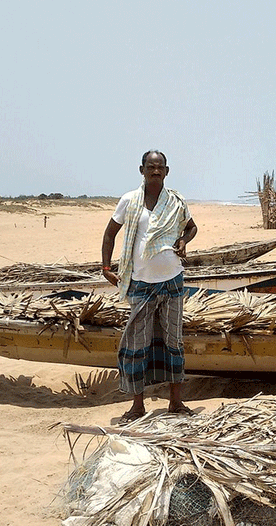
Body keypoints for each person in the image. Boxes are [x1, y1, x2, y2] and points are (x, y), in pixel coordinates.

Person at [101, 150, 198, 422]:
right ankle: (137, 406)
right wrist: (106, 267)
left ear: (167, 171)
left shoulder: (176, 202)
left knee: (173, 343)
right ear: (141, 170)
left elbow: (192, 227)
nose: (155, 171)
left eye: (160, 167)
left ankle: (176, 403)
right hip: (141, 283)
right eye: (150, 167)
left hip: (172, 282)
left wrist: (183, 241)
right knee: (136, 345)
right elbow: (110, 233)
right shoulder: (129, 201)